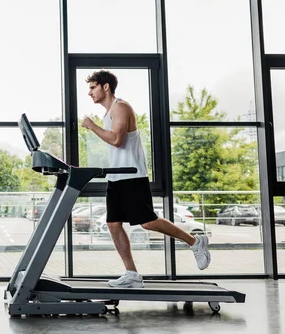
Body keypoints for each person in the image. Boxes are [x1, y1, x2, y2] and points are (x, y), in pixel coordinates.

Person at [80, 70, 210, 288]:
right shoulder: (109, 112)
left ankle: (195, 242)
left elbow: (117, 140)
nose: (89, 93)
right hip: (117, 176)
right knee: (113, 224)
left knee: (148, 222)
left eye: (92, 87)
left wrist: (92, 126)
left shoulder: (121, 107)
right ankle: (131, 273)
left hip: (132, 175)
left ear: (105, 87)